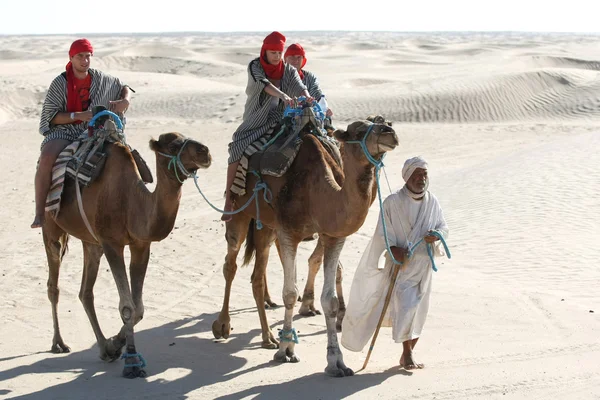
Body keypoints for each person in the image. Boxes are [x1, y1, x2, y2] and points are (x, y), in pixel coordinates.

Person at [341, 156, 449, 370]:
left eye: (424, 174)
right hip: (401, 267)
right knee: (406, 307)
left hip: (423, 267)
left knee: (419, 310)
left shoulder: (432, 201)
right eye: (417, 174)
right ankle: (407, 353)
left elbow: (443, 226)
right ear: (407, 176)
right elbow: (383, 233)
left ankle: (408, 353)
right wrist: (393, 249)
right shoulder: (392, 202)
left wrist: (436, 235)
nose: (421, 178)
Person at [31, 38, 131, 228]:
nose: (84, 61)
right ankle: (39, 213)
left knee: (123, 155)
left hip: (94, 130)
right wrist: (79, 115)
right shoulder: (60, 83)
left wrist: (126, 100)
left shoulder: (101, 79)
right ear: (71, 57)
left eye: (88, 56)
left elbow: (124, 87)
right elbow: (52, 117)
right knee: (47, 157)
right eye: (80, 57)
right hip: (65, 130)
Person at [222, 32, 313, 221]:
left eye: (279, 53)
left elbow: (297, 84)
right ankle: (229, 199)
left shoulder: (288, 70)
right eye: (273, 53)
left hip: (281, 117)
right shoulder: (255, 66)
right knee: (238, 148)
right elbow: (263, 85)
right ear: (265, 51)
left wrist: (306, 94)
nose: (277, 57)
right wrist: (284, 96)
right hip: (257, 119)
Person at [284, 43, 333, 118]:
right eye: (292, 57)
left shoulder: (309, 77)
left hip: (308, 116)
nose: (295, 60)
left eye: (299, 57)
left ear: (303, 59)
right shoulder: (279, 76)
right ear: (285, 59)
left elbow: (318, 96)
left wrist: (326, 109)